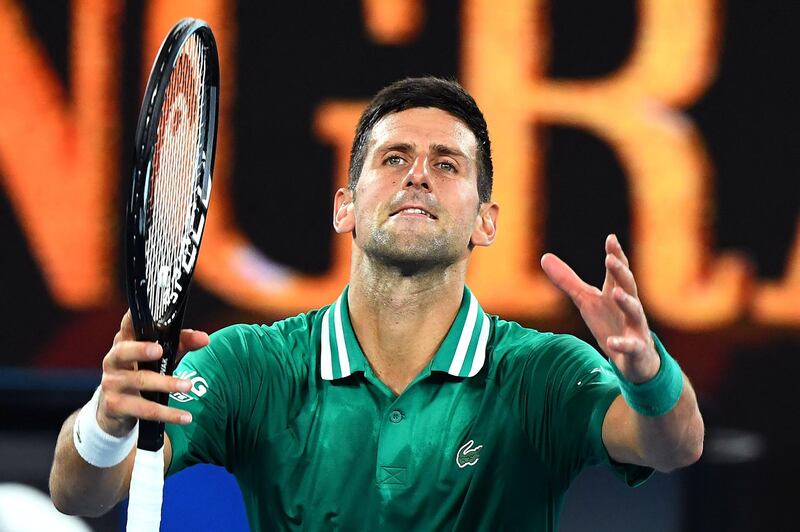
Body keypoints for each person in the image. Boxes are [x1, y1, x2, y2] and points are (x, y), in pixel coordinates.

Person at [50, 77, 704, 531]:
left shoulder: (541, 373)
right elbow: (78, 489)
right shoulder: (253, 364)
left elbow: (675, 445)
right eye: (394, 158)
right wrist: (106, 423)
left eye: (447, 164)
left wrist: (650, 377)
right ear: (345, 207)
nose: (419, 173)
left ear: (486, 221)